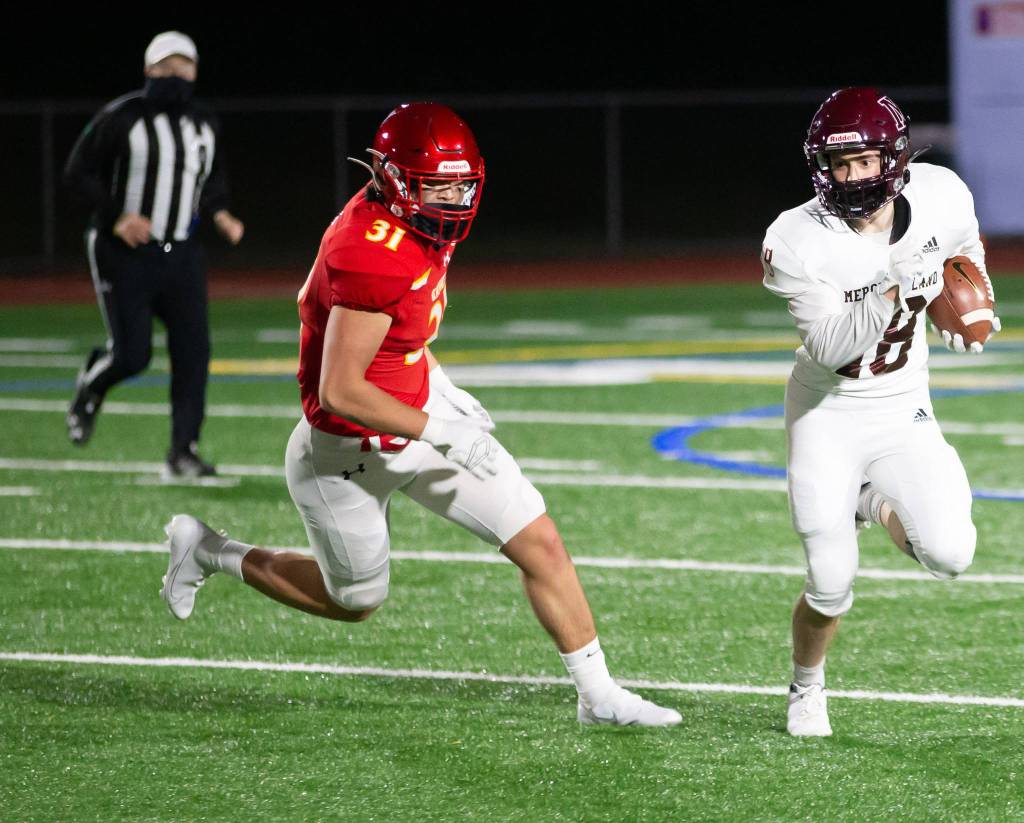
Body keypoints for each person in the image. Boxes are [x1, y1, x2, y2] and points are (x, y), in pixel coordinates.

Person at [160, 102, 681, 727]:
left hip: (417, 414)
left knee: (538, 540)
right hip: (345, 454)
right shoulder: (371, 249)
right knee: (355, 601)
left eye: (462, 184)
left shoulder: (412, 222)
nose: (454, 199)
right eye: (438, 185)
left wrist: (439, 383)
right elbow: (340, 390)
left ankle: (598, 697)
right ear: (394, 178)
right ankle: (210, 551)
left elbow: (398, 335)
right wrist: (443, 430)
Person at [761, 87, 1001, 737]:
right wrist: (899, 283)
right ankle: (805, 685)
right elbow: (833, 344)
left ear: (892, 158)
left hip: (902, 403)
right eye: (839, 166)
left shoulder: (941, 193)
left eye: (863, 162)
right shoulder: (796, 238)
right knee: (831, 581)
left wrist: (972, 296)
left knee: (952, 552)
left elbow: (963, 246)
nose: (851, 177)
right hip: (827, 413)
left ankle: (870, 500)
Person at [64, 31, 244, 477]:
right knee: (133, 355)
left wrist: (220, 213)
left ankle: (183, 451)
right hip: (123, 252)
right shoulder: (122, 116)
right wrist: (116, 216)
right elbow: (77, 173)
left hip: (182, 253)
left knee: (194, 352)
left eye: (185, 66)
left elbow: (211, 180)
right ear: (149, 70)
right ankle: (93, 383)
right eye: (167, 66)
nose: (176, 75)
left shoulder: (204, 122)